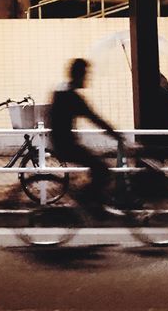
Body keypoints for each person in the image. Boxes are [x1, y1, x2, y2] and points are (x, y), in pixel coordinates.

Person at [49, 58, 126, 213]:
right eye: (86, 74)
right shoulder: (71, 97)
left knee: (97, 165)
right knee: (103, 170)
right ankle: (88, 201)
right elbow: (95, 119)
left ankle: (90, 201)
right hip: (67, 146)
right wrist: (116, 135)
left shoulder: (61, 92)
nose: (88, 77)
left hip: (61, 143)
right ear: (79, 75)